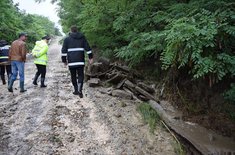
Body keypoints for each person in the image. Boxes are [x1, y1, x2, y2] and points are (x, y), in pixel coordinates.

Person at [61, 25, 93, 97]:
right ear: (77, 30)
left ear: (70, 31)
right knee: (81, 75)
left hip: (71, 61)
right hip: (80, 60)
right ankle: (80, 90)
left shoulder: (67, 39)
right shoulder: (82, 38)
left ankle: (76, 90)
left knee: (73, 76)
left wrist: (64, 61)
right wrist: (90, 57)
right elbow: (88, 48)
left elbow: (63, 51)